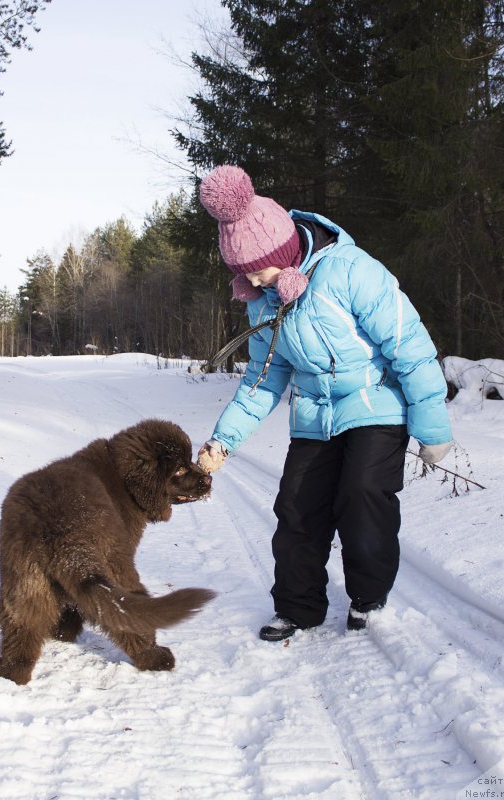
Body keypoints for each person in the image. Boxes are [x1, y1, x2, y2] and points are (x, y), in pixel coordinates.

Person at [197, 164, 453, 641]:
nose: (253, 279)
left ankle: (368, 597)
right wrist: (223, 440)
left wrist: (433, 427)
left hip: (377, 406)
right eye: (243, 272)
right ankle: (297, 607)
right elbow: (263, 377)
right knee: (296, 509)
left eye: (258, 266)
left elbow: (410, 347)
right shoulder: (264, 298)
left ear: (283, 248)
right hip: (315, 416)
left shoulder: (351, 271)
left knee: (361, 496)